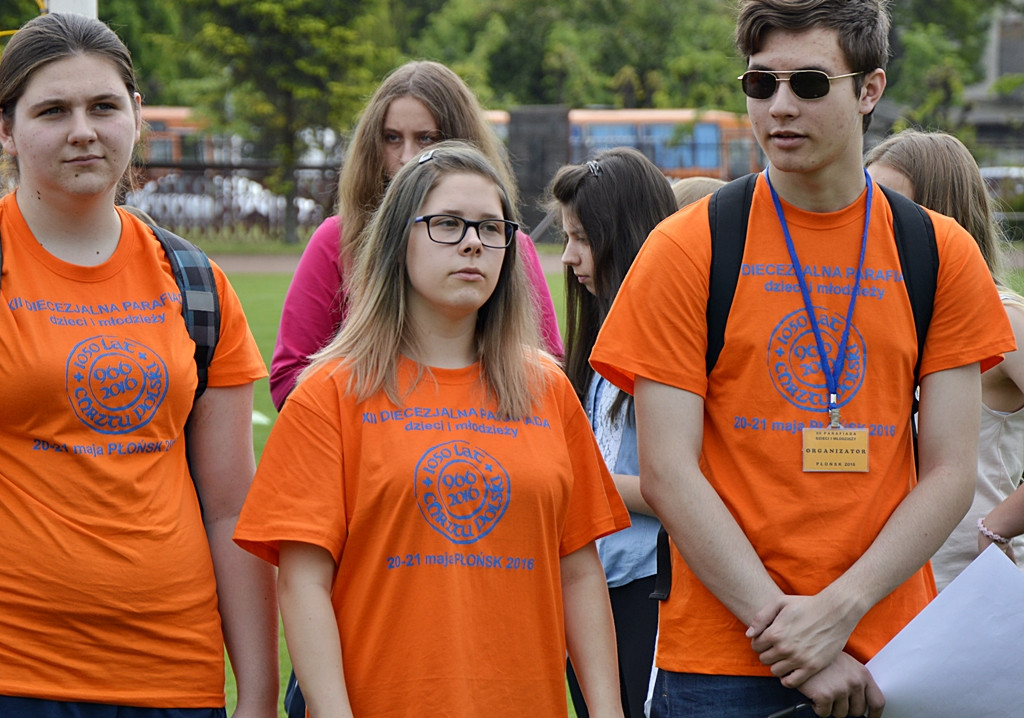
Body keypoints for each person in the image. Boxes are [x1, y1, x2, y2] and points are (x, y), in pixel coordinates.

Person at [589, 1, 1016, 716]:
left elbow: (949, 469)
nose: (780, 107)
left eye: (809, 84)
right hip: (721, 658)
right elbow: (667, 470)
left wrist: (839, 613)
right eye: (761, 84)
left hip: (889, 649)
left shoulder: (939, 252)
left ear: (869, 90)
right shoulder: (687, 245)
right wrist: (788, 633)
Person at [233, 141, 630, 717]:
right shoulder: (330, 393)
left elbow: (578, 571)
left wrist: (607, 711)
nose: (474, 242)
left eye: (492, 228)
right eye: (447, 224)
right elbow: (302, 585)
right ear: (398, 239)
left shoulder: (546, 389)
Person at [0, 13, 277, 718]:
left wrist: (257, 692)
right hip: (19, 673)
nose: (83, 130)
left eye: (103, 106)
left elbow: (231, 508)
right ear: (7, 129)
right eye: (52, 110)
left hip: (172, 675)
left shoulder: (195, 282)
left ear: (136, 115)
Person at [269, 60, 562, 411]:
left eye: (426, 139)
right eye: (392, 138)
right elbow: (290, 378)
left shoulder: (508, 244)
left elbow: (548, 373)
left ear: (461, 141)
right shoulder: (339, 239)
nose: (407, 156)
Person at [549, 148, 677, 718]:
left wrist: (573, 478)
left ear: (623, 237)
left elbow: (673, 486)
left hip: (646, 589)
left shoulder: (665, 342)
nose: (568, 257)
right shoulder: (600, 338)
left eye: (582, 237)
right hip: (591, 585)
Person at [866, 128, 1024, 588]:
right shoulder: (887, 316)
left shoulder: (1003, 316)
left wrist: (999, 524)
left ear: (940, 215)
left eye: (891, 207)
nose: (871, 220)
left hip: (966, 590)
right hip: (886, 589)